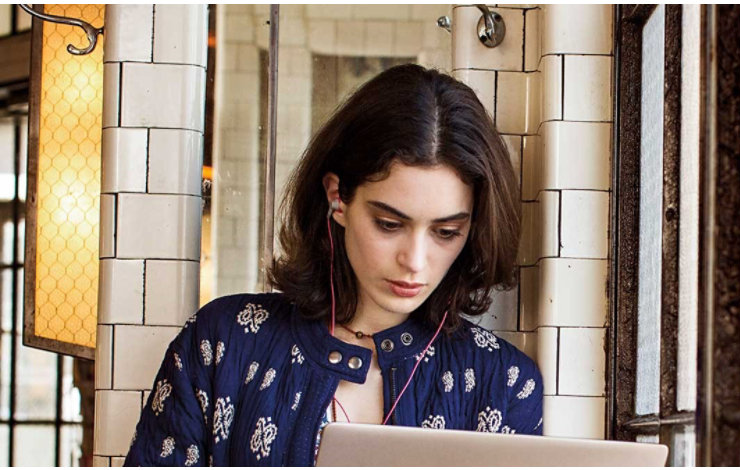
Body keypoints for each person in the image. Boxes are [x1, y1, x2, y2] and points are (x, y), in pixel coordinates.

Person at [124, 64, 543, 466]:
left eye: (446, 232)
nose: (415, 261)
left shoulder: (502, 383)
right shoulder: (222, 344)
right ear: (337, 197)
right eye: (389, 224)